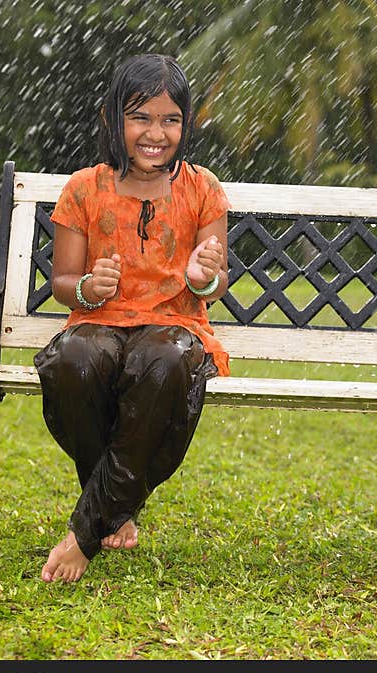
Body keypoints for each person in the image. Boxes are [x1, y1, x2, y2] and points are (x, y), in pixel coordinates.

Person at [34, 53, 231, 583]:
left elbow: (216, 283)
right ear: (113, 120)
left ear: (186, 124)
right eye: (141, 117)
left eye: (170, 119)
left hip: (173, 326)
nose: (156, 133)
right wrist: (89, 289)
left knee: (163, 362)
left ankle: (86, 530)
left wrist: (199, 276)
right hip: (98, 323)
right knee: (74, 361)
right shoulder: (83, 188)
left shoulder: (202, 189)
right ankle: (116, 510)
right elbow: (62, 283)